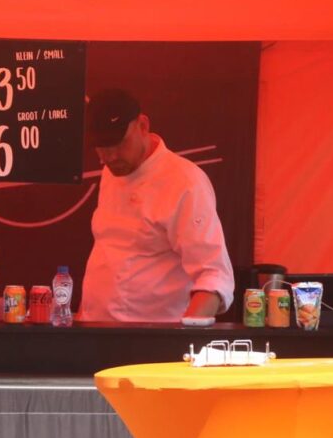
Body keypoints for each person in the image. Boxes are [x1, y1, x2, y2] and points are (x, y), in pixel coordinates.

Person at [79, 88, 233, 322]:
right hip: (93, 326)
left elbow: (214, 275)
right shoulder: (112, 171)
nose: (110, 156)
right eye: (102, 147)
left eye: (119, 143)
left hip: (151, 333)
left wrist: (182, 336)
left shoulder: (185, 182)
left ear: (142, 125)